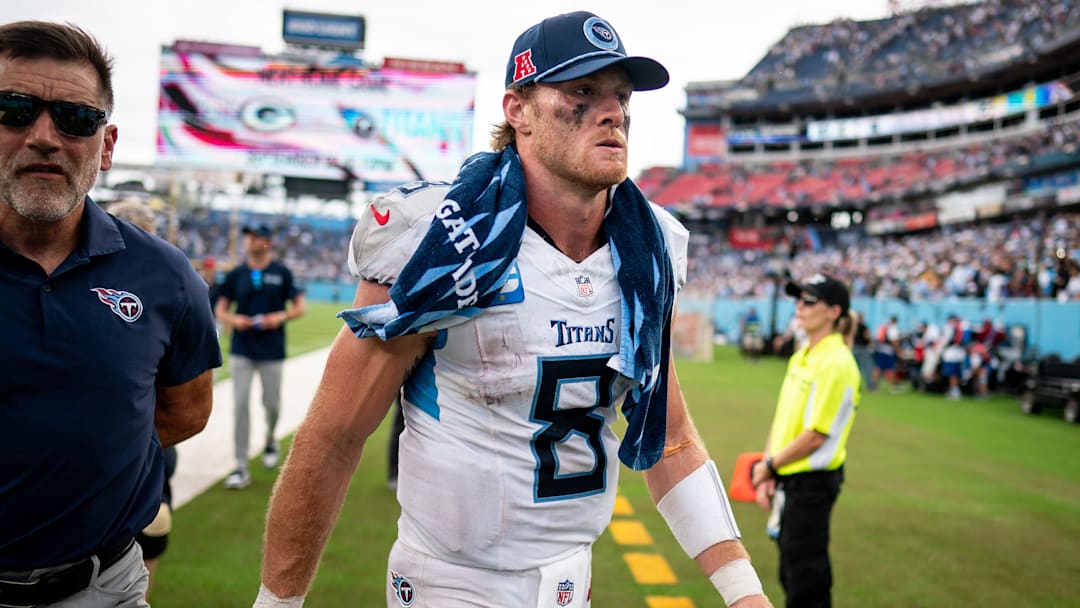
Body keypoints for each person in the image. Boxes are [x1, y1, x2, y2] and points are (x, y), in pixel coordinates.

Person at [257, 11, 772, 608]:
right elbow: (335, 436)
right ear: (518, 109)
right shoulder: (438, 239)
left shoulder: (649, 246)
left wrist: (743, 592)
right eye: (582, 91)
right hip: (445, 584)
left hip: (568, 584)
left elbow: (671, 438)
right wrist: (278, 603)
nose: (613, 112)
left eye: (621, 96)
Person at [0, 20, 220, 607]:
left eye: (75, 118)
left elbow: (187, 411)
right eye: (15, 110)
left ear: (108, 145)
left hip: (101, 589)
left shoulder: (166, 278)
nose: (44, 136)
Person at [751, 274, 860, 608]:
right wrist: (770, 467)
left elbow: (815, 436)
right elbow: (783, 420)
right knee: (791, 573)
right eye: (798, 299)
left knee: (806, 583)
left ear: (834, 311)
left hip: (811, 484)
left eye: (809, 300)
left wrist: (769, 466)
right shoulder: (803, 355)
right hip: (788, 477)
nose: (799, 306)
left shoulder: (836, 361)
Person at [107, 199, 179, 600]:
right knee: (150, 520)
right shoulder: (167, 279)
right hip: (147, 430)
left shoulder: (167, 281)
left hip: (140, 431)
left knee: (150, 521)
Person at [216, 223, 306, 489]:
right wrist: (235, 319)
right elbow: (221, 309)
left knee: (272, 405)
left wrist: (279, 316)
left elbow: (300, 307)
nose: (249, 241)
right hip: (242, 349)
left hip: (272, 349)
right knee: (240, 404)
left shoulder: (281, 272)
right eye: (248, 236)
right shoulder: (236, 274)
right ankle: (241, 466)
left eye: (255, 237)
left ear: (266, 242)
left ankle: (269, 439)